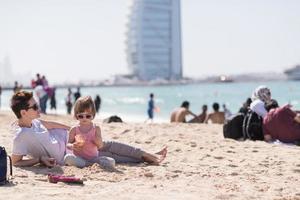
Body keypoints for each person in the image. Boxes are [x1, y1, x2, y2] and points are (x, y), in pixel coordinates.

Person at [10, 91, 167, 168]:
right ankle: (146, 157)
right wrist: (39, 160)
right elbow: (15, 162)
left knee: (110, 145)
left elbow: (51, 124)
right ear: (23, 112)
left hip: (75, 139)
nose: (39, 107)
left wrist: (74, 129)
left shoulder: (35, 121)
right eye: (35, 106)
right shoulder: (21, 136)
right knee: (111, 154)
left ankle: (148, 154)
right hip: (71, 152)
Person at [64, 96, 115, 168]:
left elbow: (100, 146)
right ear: (76, 115)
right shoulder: (74, 129)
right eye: (81, 116)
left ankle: (88, 164)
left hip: (94, 158)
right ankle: (88, 164)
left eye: (88, 116)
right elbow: (68, 144)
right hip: (79, 158)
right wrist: (72, 146)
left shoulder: (96, 128)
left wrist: (97, 141)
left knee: (111, 161)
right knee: (68, 158)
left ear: (93, 115)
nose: (84, 118)